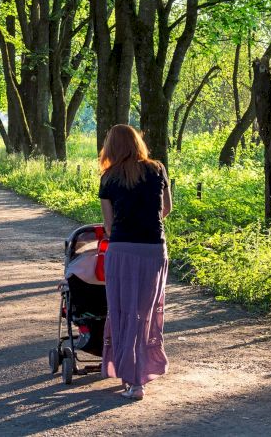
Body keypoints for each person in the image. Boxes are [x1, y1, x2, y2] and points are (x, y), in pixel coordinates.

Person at [98, 124, 172, 401]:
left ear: (111, 147)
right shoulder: (157, 169)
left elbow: (108, 225)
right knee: (147, 312)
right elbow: (166, 209)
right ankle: (144, 370)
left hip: (122, 250)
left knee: (123, 312)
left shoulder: (108, 177)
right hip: (153, 249)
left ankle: (132, 380)